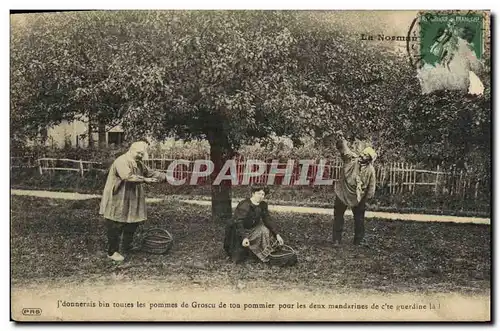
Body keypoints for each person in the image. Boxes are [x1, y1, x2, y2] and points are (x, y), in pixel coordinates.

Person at [99, 141, 167, 261]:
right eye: (138, 153)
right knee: (116, 223)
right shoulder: (121, 161)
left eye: (142, 153)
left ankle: (127, 246)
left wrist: (165, 177)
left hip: (132, 197)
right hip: (119, 196)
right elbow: (128, 176)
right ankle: (112, 251)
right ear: (131, 149)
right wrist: (146, 180)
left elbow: (150, 172)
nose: (140, 155)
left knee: (132, 222)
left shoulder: (139, 163)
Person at [331, 131, 377, 247]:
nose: (362, 156)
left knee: (359, 218)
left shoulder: (370, 170)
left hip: (358, 196)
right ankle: (336, 240)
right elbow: (345, 151)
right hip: (343, 191)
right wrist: (342, 141)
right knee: (338, 215)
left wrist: (367, 198)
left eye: (366, 155)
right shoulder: (352, 159)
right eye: (363, 153)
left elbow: (371, 186)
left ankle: (358, 241)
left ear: (369, 159)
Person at [223, 186, 284, 264]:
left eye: (263, 194)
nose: (261, 196)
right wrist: (244, 238)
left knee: (263, 229)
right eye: (258, 193)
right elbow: (238, 222)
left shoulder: (263, 205)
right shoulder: (245, 204)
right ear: (253, 193)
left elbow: (267, 219)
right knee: (239, 258)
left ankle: (263, 254)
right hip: (237, 229)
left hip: (251, 228)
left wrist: (277, 234)